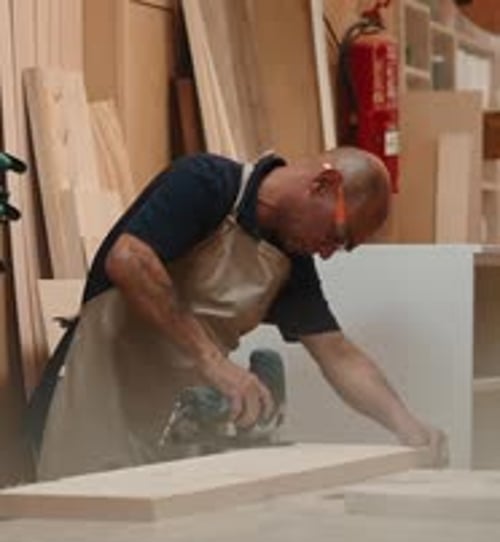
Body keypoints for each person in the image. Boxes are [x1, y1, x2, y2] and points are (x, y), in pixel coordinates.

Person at [31, 146, 448, 480]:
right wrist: (213, 362)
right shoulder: (206, 183)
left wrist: (404, 423)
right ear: (323, 183)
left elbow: (336, 353)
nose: (327, 252)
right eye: (335, 235)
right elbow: (129, 259)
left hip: (161, 425)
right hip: (89, 401)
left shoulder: (289, 257)